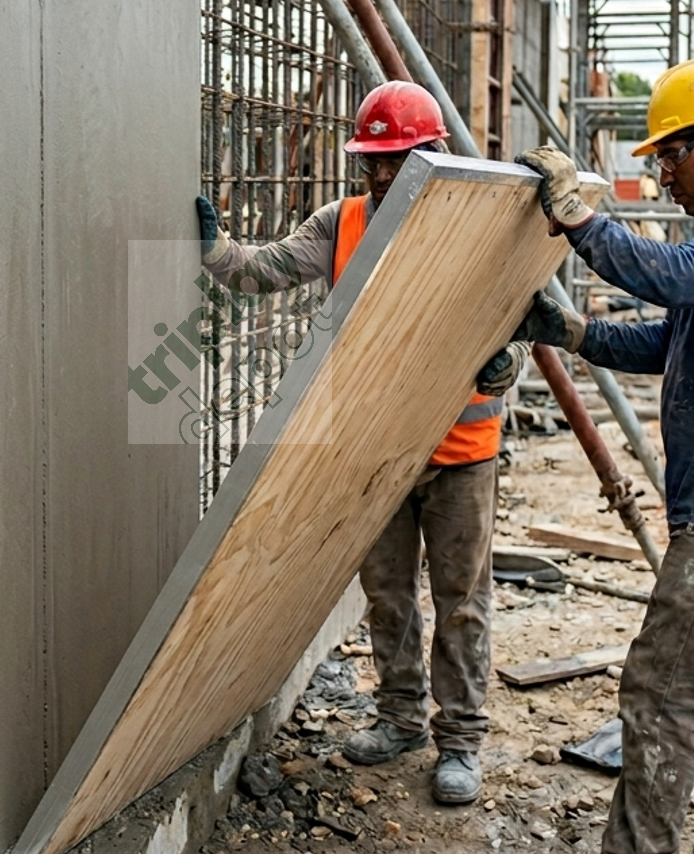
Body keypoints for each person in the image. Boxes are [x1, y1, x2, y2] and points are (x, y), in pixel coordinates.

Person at [197, 81, 528, 805]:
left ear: (432, 151)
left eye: (398, 158)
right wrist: (219, 252)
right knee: (387, 593)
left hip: (458, 451)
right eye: (373, 160)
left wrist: (509, 364)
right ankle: (401, 718)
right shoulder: (341, 223)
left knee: (461, 599)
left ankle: (462, 740)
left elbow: (515, 313)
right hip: (374, 449)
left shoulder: (469, 225)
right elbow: (264, 270)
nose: (382, 174)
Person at [479, 57, 694, 853]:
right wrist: (575, 332)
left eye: (672, 155)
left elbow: (673, 277)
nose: (663, 174)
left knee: (662, 695)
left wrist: (580, 221)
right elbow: (671, 338)